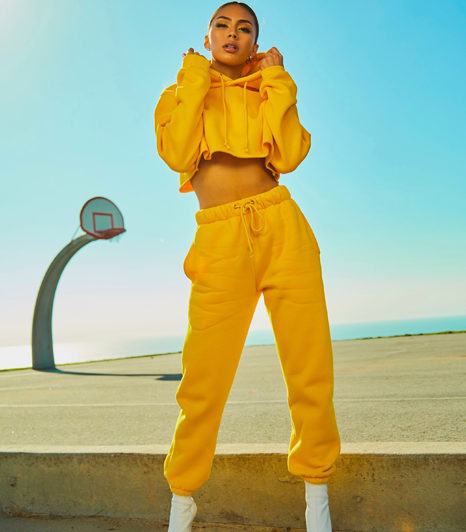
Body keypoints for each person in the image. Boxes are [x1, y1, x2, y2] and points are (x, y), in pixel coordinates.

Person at [153, 2, 341, 531]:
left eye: (245, 28)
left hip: (282, 227)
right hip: (219, 240)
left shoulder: (267, 89)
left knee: (310, 369)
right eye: (223, 25)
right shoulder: (178, 92)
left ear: (256, 42)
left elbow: (289, 156)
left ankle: (317, 500)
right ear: (207, 36)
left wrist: (277, 80)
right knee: (202, 380)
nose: (232, 33)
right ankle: (182, 501)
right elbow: (178, 154)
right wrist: (196, 78)